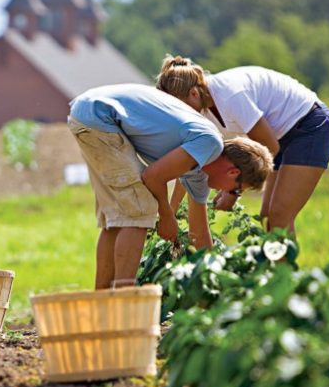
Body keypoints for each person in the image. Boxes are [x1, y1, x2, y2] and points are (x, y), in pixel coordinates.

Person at [69, 83, 273, 289]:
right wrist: (166, 216)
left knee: (117, 219)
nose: (228, 194)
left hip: (90, 112)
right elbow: (152, 177)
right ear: (233, 172)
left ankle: (101, 300)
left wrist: (214, 277)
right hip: (100, 116)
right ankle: (125, 297)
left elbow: (200, 233)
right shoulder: (210, 143)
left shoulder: (199, 174)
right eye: (236, 190)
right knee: (141, 209)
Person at [156, 56, 329, 233]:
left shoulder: (230, 96)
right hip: (278, 136)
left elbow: (269, 148)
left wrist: (233, 192)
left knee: (279, 217)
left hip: (310, 126)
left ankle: (284, 265)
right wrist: (170, 213)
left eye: (179, 107)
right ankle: (275, 264)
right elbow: (189, 163)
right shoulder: (200, 108)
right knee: (267, 216)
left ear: (194, 93)